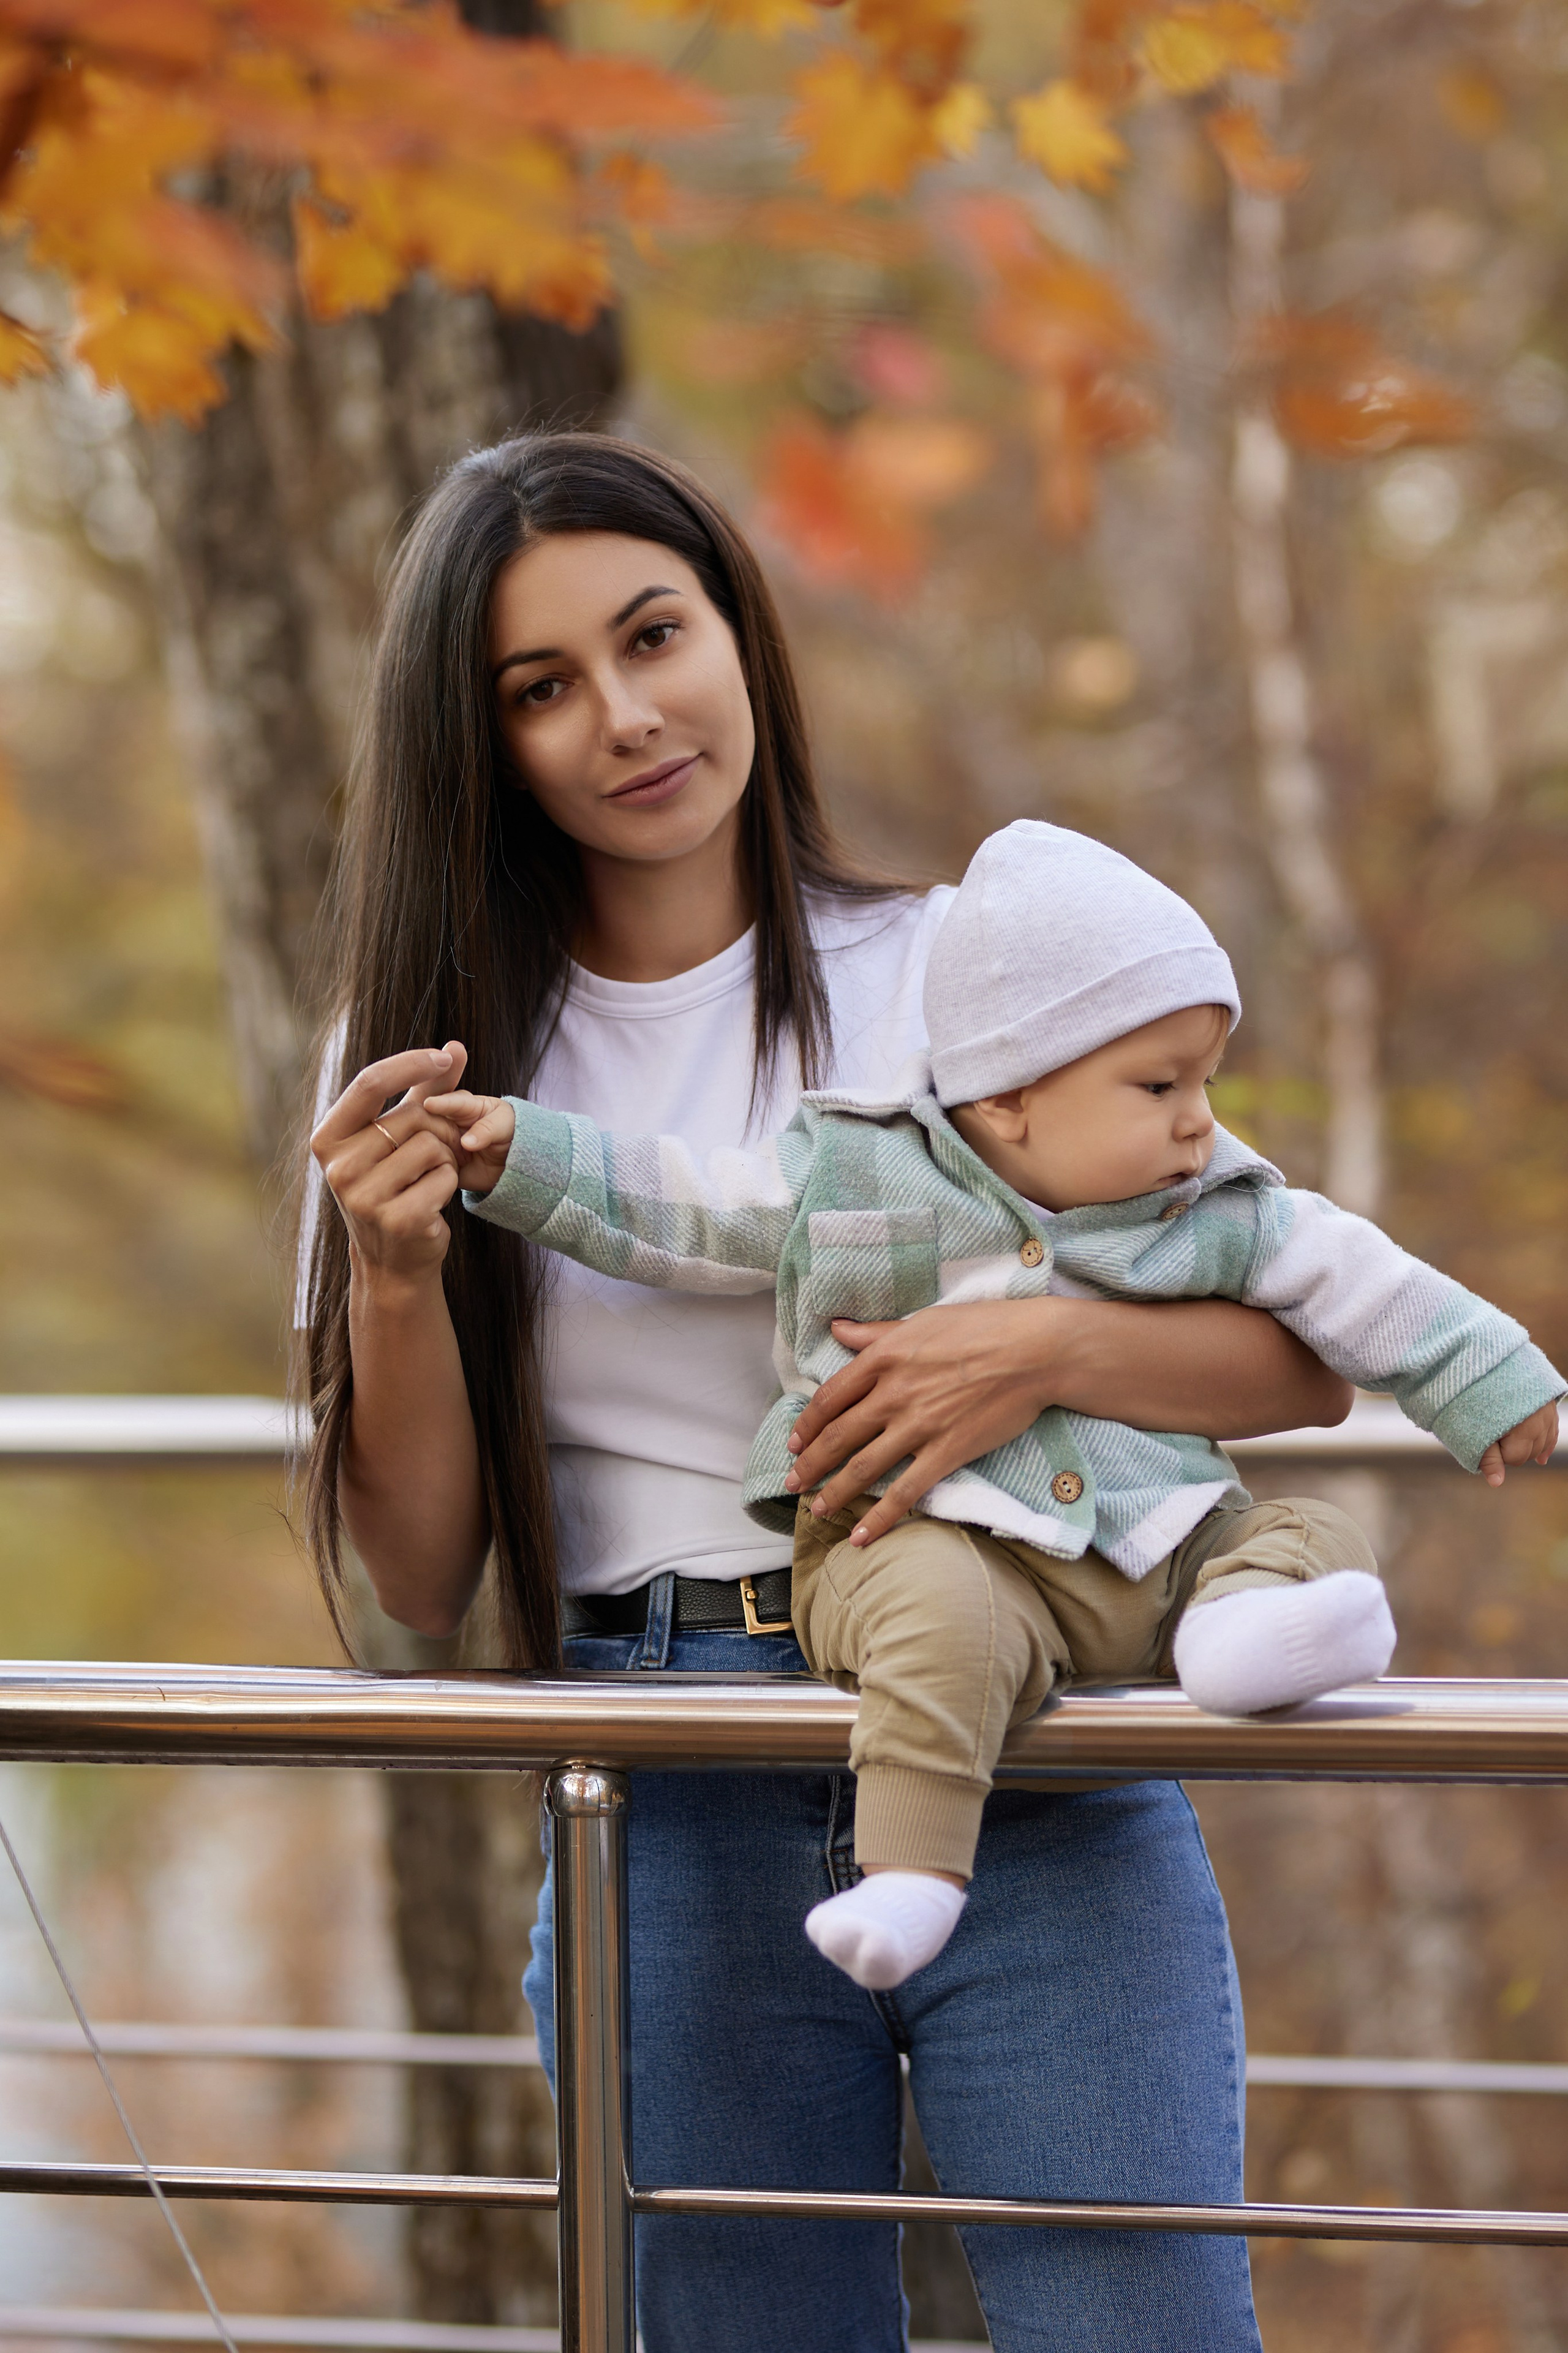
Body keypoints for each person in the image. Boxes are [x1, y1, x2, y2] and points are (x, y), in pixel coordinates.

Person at [301, 431, 1362, 2353]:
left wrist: (1044, 1341)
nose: (625, 716)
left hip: (1034, 1745)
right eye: (541, 688)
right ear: (486, 743)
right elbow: (417, 1575)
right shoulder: (431, 1053)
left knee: (1145, 2325)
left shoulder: (958, 968)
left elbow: (1294, 1344)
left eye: (654, 634)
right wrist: (391, 1272)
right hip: (669, 1786)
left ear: (738, 632)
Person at [421, 818, 1563, 1992]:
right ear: (1013, 1097)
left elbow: (1364, 1284)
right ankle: (914, 1873)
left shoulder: (1207, 1200)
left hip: (1151, 1544)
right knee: (940, 1627)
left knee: (1306, 1533)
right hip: (917, 1537)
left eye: (1205, 1081)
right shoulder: (857, 1168)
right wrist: (522, 1156)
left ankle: (1244, 1632)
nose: (1199, 1121)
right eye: (1160, 1085)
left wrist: (1498, 1386)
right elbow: (683, 1206)